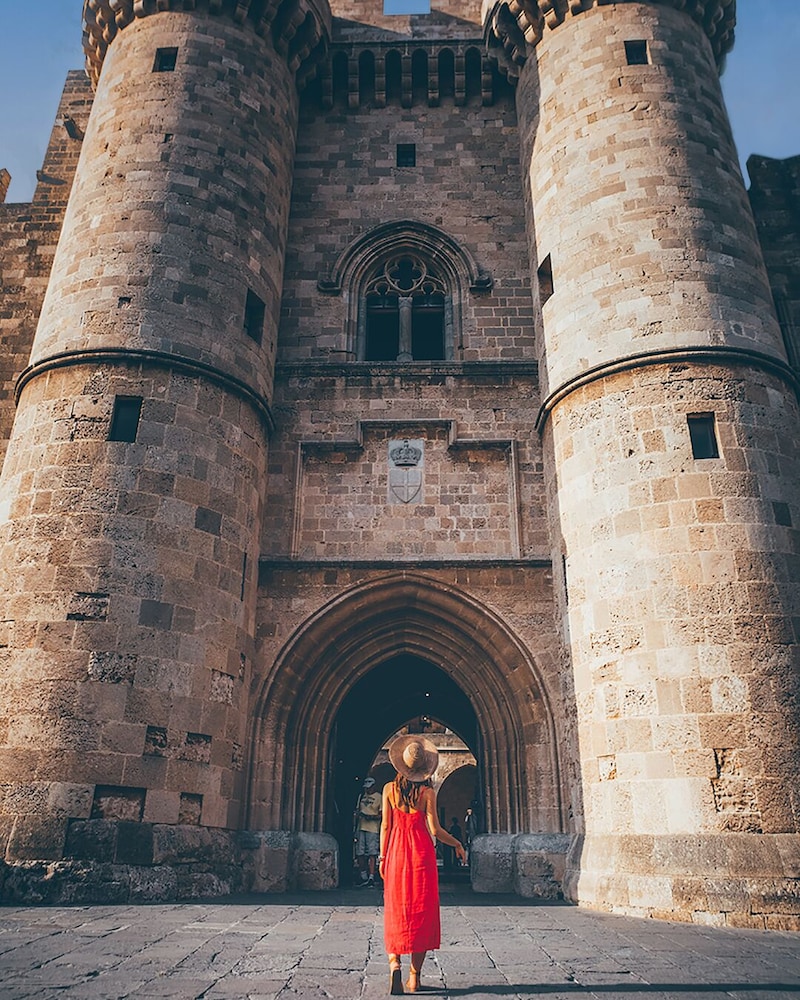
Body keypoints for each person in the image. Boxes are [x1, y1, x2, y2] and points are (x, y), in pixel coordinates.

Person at [379, 735, 466, 994]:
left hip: (396, 853)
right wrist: (457, 843)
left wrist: (382, 857)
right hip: (421, 855)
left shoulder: (389, 790)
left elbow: (385, 826)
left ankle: (394, 963)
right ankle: (414, 977)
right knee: (421, 912)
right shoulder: (427, 793)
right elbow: (435, 830)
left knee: (395, 909)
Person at [354, 776, 382, 886]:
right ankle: (363, 875)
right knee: (360, 852)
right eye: (366, 788)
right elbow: (357, 810)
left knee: (372, 852)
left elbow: (381, 814)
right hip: (361, 827)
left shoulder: (379, 797)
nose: (367, 790)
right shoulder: (361, 796)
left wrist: (370, 817)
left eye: (369, 788)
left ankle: (371, 876)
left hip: (373, 828)